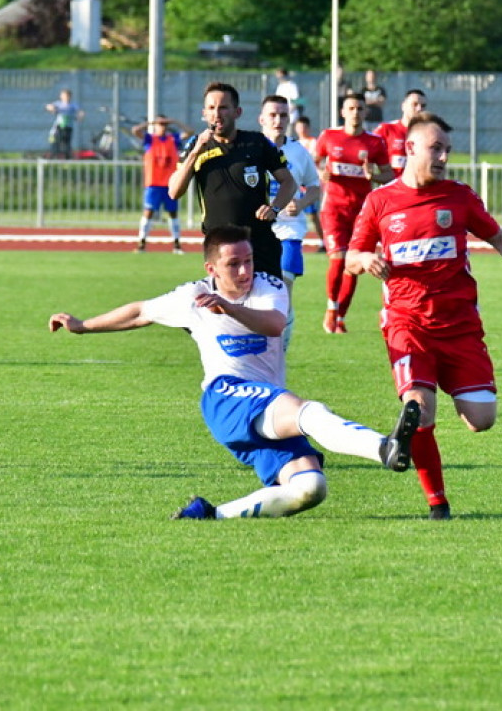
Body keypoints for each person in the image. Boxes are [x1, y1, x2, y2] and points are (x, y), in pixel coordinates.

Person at [49, 225, 421, 520]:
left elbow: (274, 324)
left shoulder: (269, 286)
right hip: (226, 397)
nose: (245, 271)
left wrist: (229, 308)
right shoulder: (192, 296)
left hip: (264, 404)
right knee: (309, 411)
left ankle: (213, 514)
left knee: (310, 489)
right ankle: (383, 448)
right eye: (233, 264)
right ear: (211, 269)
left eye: (249, 260)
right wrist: (83, 325)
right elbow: (140, 311)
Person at [346, 112, 502, 519]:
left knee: (481, 420)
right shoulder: (380, 201)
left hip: (460, 327)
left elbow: (496, 235)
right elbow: (351, 254)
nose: (442, 156)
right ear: (409, 149)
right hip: (407, 323)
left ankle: (413, 429)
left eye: (447, 150)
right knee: (420, 408)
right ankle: (437, 503)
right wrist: (366, 258)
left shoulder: (458, 196)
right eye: (435, 148)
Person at [168, 81, 298, 280]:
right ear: (204, 113)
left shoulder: (257, 143)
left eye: (223, 107)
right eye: (211, 108)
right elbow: (174, 191)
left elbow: (288, 182)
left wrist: (274, 208)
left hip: (259, 243)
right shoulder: (196, 145)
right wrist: (195, 152)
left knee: (269, 307)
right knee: (226, 308)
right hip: (220, 246)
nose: (217, 114)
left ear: (237, 112)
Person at [314, 92, 393, 333]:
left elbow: (389, 174)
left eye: (359, 108)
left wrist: (374, 176)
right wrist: (320, 173)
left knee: (354, 266)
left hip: (361, 213)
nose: (355, 112)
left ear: (365, 112)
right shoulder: (329, 137)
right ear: (342, 112)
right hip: (334, 209)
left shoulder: (375, 142)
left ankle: (340, 317)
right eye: (351, 108)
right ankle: (331, 308)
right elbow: (314, 163)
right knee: (338, 259)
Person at [258, 95, 322, 349]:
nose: (278, 120)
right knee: (258, 295)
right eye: (273, 115)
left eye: (283, 115)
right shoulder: (251, 149)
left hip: (289, 232)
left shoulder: (298, 151)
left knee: (282, 292)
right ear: (261, 119)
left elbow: (315, 187)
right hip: (258, 232)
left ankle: (279, 351)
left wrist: (302, 203)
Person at [132, 114, 192, 254]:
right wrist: (151, 122)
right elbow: (135, 130)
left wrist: (175, 121)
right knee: (149, 213)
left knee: (173, 213)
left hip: (170, 184)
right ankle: (142, 242)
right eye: (160, 124)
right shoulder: (150, 139)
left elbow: (189, 132)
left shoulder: (173, 139)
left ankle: (176, 244)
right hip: (153, 183)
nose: (162, 127)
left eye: (164, 124)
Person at [375, 89, 428, 178]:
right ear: (403, 106)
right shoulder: (387, 129)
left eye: (423, 106)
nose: (419, 109)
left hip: (417, 188)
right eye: (414, 104)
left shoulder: (427, 134)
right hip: (392, 187)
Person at [293, 116, 325, 252]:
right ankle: (294, 240)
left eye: (304, 127)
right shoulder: (294, 143)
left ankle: (324, 241)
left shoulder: (313, 142)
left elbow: (315, 160)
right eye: (299, 127)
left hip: (310, 184)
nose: (301, 129)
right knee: (294, 213)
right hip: (297, 184)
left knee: (313, 215)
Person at [46, 89, 83, 159]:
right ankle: (53, 157)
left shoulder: (73, 105)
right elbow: (49, 106)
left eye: (66, 96)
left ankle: (67, 159)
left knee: (66, 144)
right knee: (54, 142)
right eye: (62, 95)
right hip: (58, 127)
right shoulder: (58, 104)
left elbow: (80, 112)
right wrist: (51, 108)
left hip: (68, 128)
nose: (64, 97)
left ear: (70, 97)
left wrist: (80, 116)